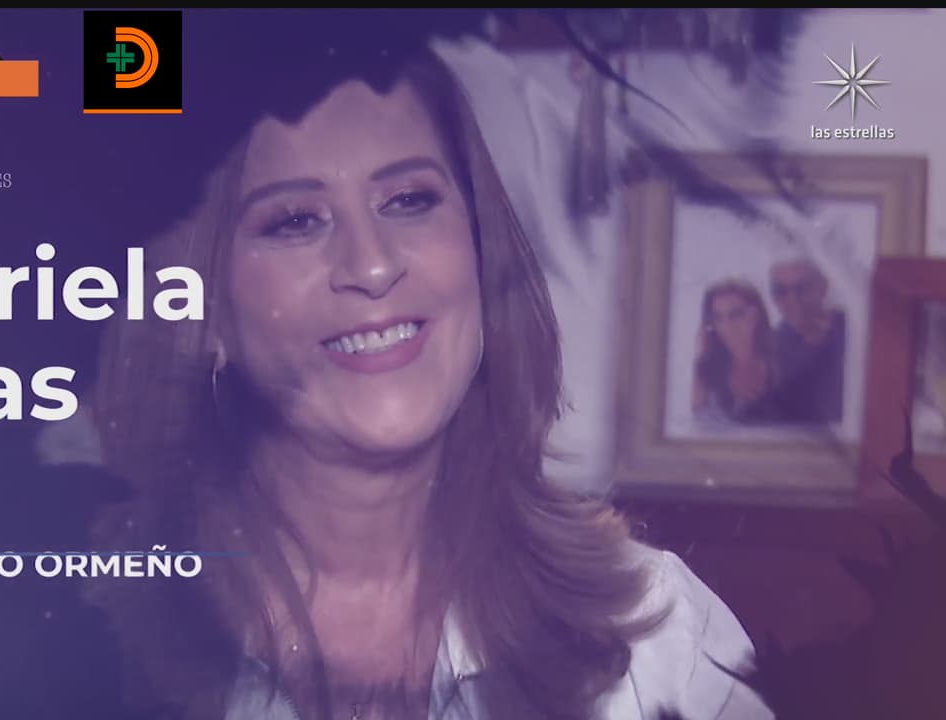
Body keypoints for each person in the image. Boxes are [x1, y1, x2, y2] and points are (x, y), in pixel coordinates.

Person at [62, 29, 771, 720]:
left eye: (408, 200)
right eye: (296, 220)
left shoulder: (658, 635)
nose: (373, 265)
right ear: (202, 305)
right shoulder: (76, 630)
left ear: (481, 251)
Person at [691, 278, 781, 426]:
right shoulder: (705, 369)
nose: (727, 326)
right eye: (718, 317)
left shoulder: (780, 360)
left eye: (736, 315)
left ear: (755, 316)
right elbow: (696, 426)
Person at [767, 257, 846, 424]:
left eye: (802, 288)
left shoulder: (854, 332)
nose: (792, 299)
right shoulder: (772, 345)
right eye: (781, 291)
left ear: (823, 287)